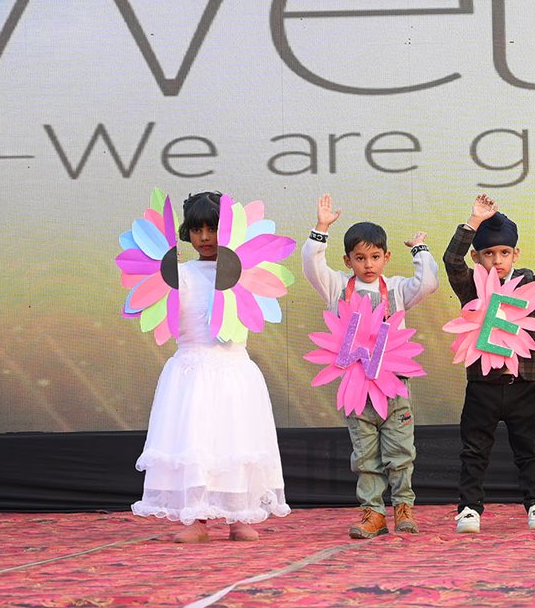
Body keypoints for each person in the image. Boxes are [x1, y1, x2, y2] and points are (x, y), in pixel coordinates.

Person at [132, 191, 290, 542]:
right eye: (196, 229)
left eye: (213, 228)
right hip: (192, 372)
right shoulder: (179, 275)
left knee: (235, 440)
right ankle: (197, 519)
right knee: (196, 441)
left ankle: (239, 515)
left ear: (230, 228)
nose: (205, 237)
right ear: (186, 232)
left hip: (233, 370)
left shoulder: (248, 273)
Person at [302, 194, 438, 539]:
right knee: (365, 455)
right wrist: (321, 228)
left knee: (401, 451)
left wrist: (420, 250)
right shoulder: (337, 286)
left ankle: (403, 508)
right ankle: (373, 513)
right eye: (360, 258)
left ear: (386, 257)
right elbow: (311, 265)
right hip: (356, 389)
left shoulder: (397, 289)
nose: (368, 265)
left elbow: (428, 283)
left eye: (375, 257)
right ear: (347, 260)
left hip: (394, 386)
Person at [445, 194, 535, 534]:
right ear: (477, 256)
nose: (497, 260)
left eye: (504, 252)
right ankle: (469, 508)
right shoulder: (471, 287)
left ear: (516, 254)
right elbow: (452, 260)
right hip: (482, 387)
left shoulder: (529, 283)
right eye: (489, 253)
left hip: (522, 387)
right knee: (474, 450)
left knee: (530, 448)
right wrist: (474, 220)